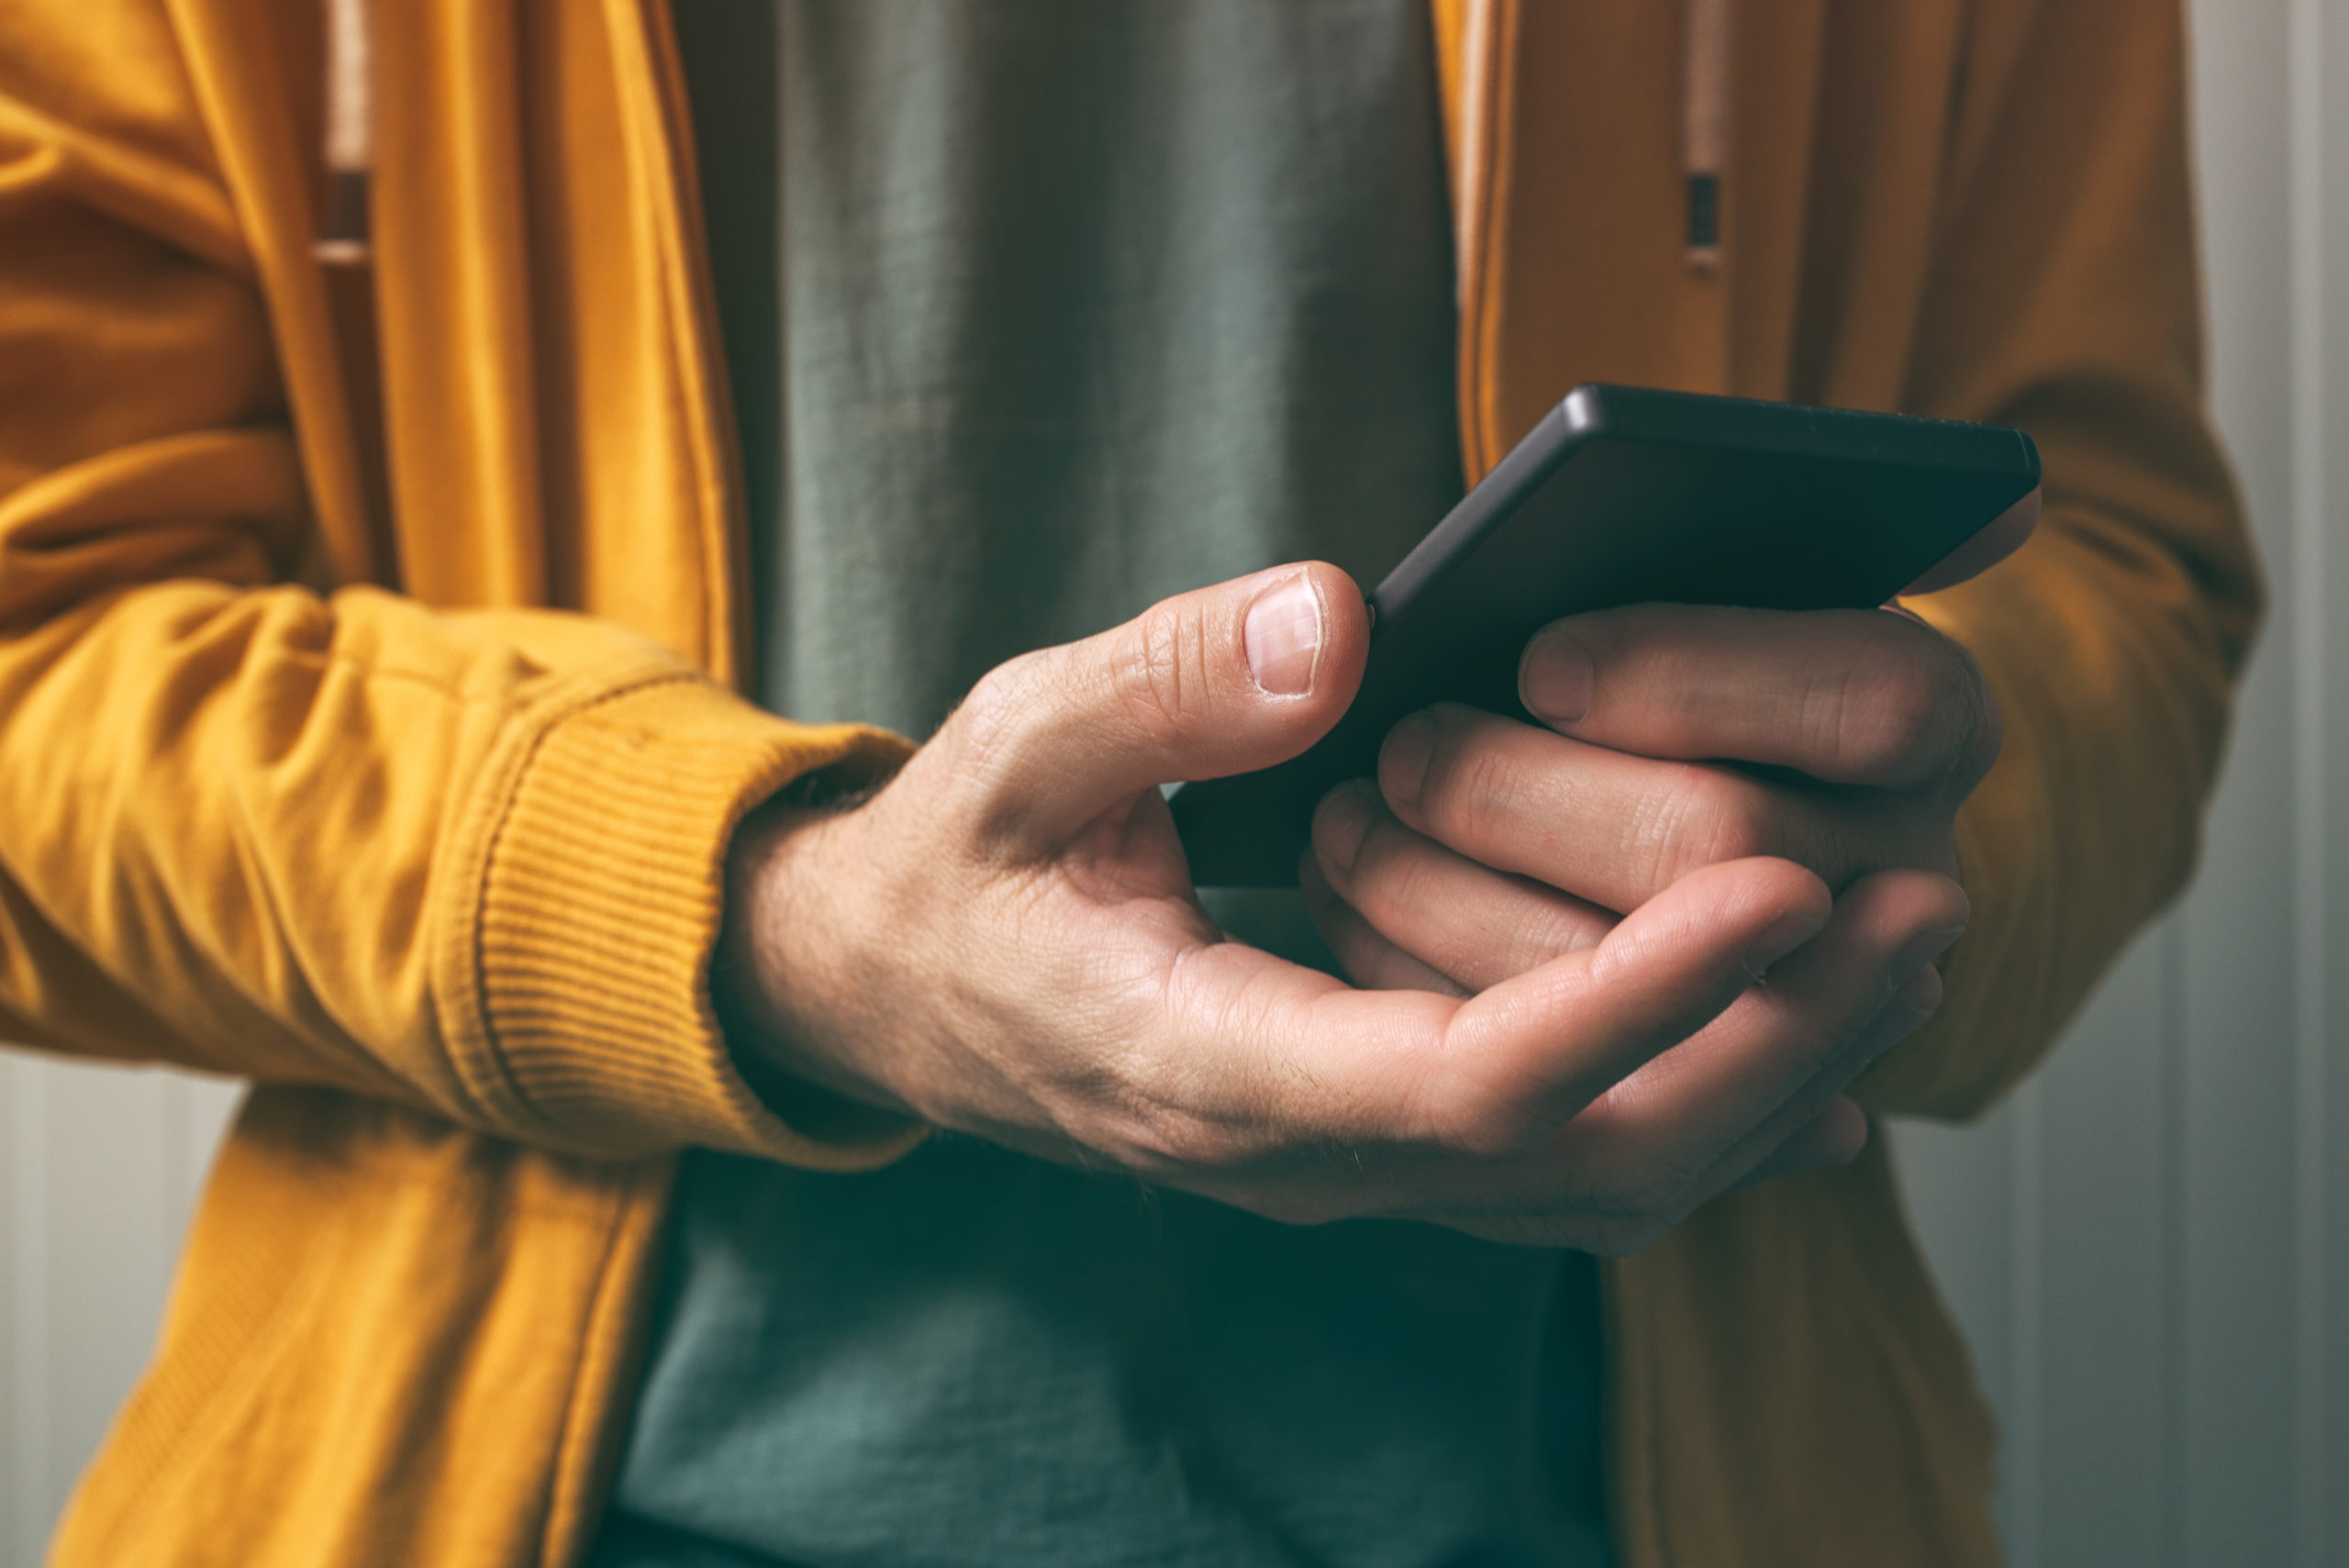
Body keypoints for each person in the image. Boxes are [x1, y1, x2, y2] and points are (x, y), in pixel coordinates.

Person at [1, 1, 2257, 1564]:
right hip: (520, 1505)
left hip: (1637, 1505)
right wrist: (785, 923)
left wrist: (1852, 836)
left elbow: (2104, 566)